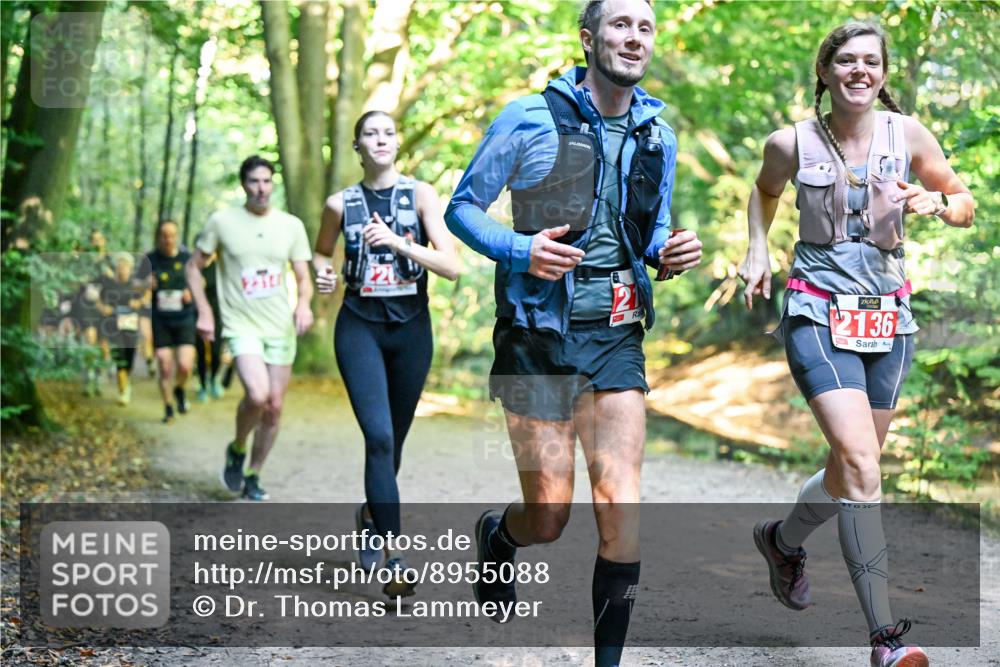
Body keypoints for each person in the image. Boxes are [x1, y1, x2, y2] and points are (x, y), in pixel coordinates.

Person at [445, 1, 702, 664]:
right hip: (537, 337)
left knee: (621, 504)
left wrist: (666, 252)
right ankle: (501, 534)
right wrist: (519, 250)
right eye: (620, 24)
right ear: (588, 38)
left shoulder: (657, 135)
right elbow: (462, 210)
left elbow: (649, 231)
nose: (634, 37)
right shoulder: (528, 117)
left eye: (645, 27)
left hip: (616, 335)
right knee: (551, 516)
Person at [738, 21, 975, 667]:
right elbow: (764, 193)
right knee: (864, 467)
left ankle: (782, 541)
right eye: (847, 60)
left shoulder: (911, 136)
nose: (860, 71)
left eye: (872, 61)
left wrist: (936, 202)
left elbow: (965, 202)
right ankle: (884, 638)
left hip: (888, 318)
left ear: (884, 71)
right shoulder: (790, 142)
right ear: (826, 71)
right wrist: (758, 246)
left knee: (851, 468)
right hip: (817, 309)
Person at [314, 110, 461, 596]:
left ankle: (369, 515)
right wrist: (323, 276)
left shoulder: (420, 195)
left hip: (412, 330)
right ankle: (394, 554)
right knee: (377, 438)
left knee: (392, 443)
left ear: (396, 144)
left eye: (388, 133)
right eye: (370, 134)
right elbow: (322, 254)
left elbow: (451, 265)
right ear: (357, 146)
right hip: (360, 328)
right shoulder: (340, 203)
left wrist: (401, 243)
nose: (380, 140)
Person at [186, 155, 314, 501]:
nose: (262, 188)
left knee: (274, 405)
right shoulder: (222, 222)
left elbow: (304, 277)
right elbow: (193, 268)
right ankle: (238, 446)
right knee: (257, 395)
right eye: (255, 182)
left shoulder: (291, 225)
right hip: (241, 325)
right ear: (244, 185)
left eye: (267, 182)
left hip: (279, 328)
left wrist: (303, 305)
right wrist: (204, 312)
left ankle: (254, 473)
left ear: (273, 184)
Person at [138, 220, 198, 423]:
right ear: (158, 237)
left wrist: (191, 291)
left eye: (172, 235)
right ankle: (168, 408)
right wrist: (145, 285)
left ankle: (180, 388)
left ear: (177, 236)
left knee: (184, 366)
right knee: (164, 364)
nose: (168, 239)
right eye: (164, 235)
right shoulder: (149, 259)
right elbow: (136, 289)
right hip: (160, 318)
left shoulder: (187, 258)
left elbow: (201, 283)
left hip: (184, 317)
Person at [97, 253, 149, 405]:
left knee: (129, 360)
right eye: (120, 265)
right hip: (114, 326)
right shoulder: (109, 285)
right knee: (119, 358)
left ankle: (126, 382)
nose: (122, 269)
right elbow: (98, 301)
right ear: (116, 268)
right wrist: (104, 308)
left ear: (130, 268)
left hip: (130, 326)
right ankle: (123, 391)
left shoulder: (135, 285)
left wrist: (139, 302)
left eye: (125, 266)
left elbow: (148, 294)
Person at [74, 229, 114, 396]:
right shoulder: (84, 261)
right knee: (90, 339)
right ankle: (88, 377)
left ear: (104, 241)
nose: (96, 242)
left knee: (104, 346)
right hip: (87, 306)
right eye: (93, 239)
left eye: (99, 239)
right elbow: (75, 286)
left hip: (105, 307)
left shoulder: (109, 261)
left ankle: (99, 377)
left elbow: (117, 284)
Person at [193, 240, 226, 402]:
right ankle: (202, 385)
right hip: (198, 316)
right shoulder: (194, 268)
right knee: (200, 352)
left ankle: (213, 378)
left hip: (217, 316)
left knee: (216, 351)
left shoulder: (221, 268)